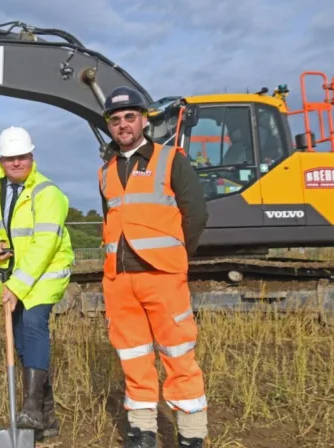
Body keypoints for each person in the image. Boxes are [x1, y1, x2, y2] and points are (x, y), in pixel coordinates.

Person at [96, 86, 210, 448]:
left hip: (162, 276)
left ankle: (191, 435)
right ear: (110, 127)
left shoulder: (171, 159)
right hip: (120, 279)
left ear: (143, 120)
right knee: (133, 357)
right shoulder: (106, 171)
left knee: (178, 355)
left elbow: (196, 214)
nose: (123, 125)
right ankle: (142, 429)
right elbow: (111, 221)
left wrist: (176, 257)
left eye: (130, 117)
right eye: (115, 120)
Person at [0, 126, 73, 441]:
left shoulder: (47, 192)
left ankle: (30, 409)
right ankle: (46, 417)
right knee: (23, 343)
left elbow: (45, 244)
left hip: (44, 274)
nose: (16, 163)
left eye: (21, 157)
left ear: (31, 157)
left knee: (35, 325)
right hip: (12, 277)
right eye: (10, 158)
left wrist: (17, 287)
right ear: (0, 161)